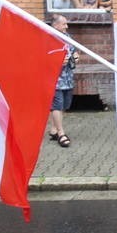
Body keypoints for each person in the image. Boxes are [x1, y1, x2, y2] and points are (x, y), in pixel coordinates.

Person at [47, 14, 79, 148]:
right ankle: (61, 133)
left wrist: (76, 57)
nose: (67, 26)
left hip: (67, 78)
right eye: (64, 24)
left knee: (65, 105)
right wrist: (56, 61)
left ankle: (54, 129)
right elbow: (44, 57)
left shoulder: (68, 38)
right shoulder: (48, 38)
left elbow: (74, 51)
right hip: (55, 79)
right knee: (57, 105)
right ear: (55, 25)